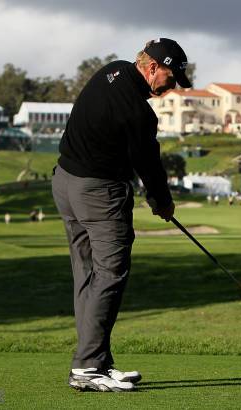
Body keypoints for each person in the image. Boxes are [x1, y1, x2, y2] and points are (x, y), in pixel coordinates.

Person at [51, 38, 191, 393]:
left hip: (65, 183)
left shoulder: (112, 70)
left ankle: (96, 360)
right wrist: (162, 201)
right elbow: (148, 163)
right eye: (172, 78)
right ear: (154, 68)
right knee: (110, 274)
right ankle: (86, 366)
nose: (172, 86)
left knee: (87, 275)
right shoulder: (138, 113)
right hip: (98, 194)